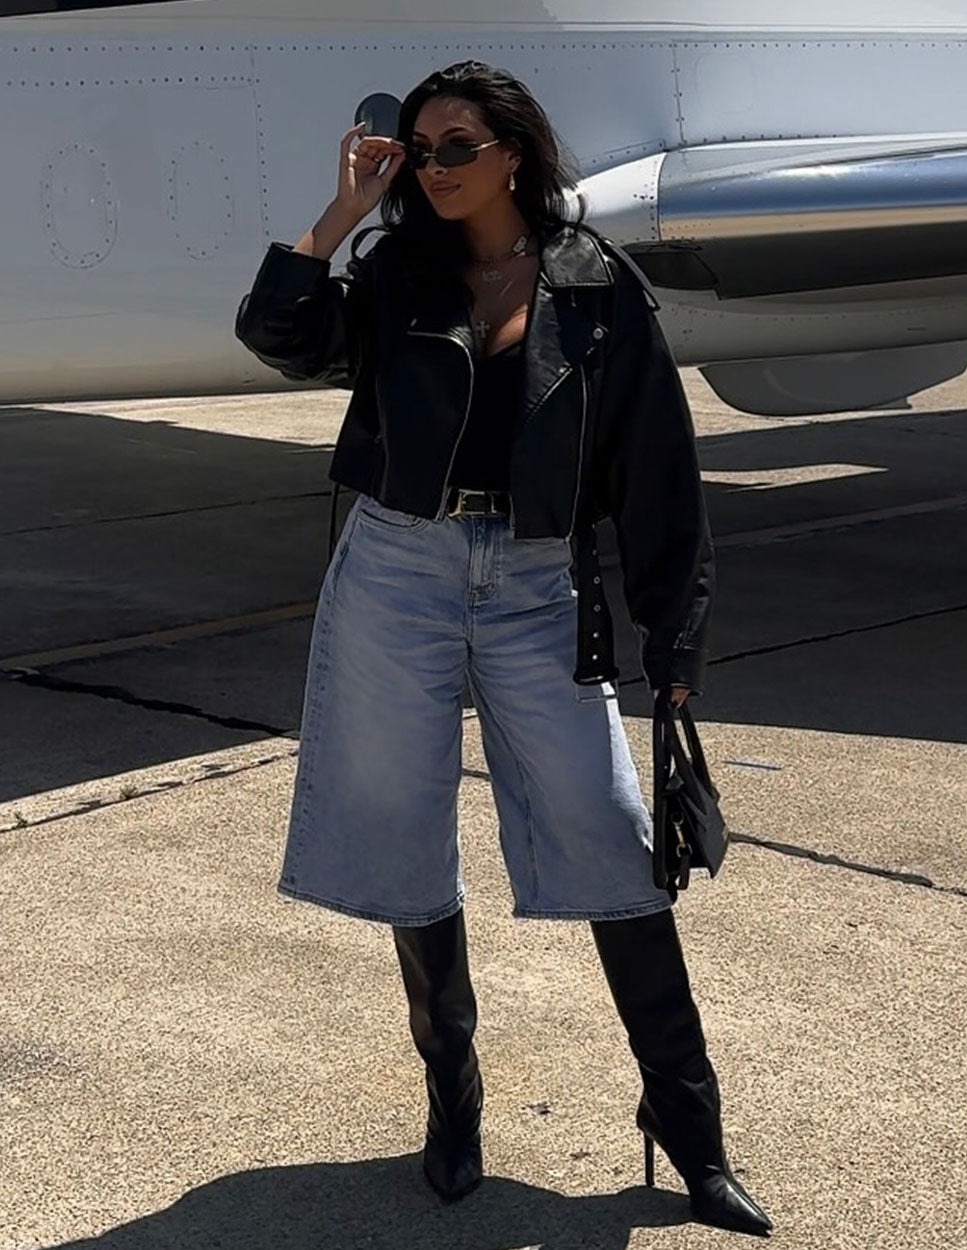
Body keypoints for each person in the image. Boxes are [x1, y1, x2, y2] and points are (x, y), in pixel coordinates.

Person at [235, 60, 771, 1236]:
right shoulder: (394, 273)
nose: (432, 168)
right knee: (400, 834)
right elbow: (279, 333)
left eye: (456, 148)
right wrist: (340, 212)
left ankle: (691, 1125)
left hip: (536, 579)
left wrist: (674, 646)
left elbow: (657, 472)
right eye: (419, 150)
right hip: (398, 565)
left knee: (610, 833)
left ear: (513, 153)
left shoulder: (595, 282)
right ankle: (453, 1097)